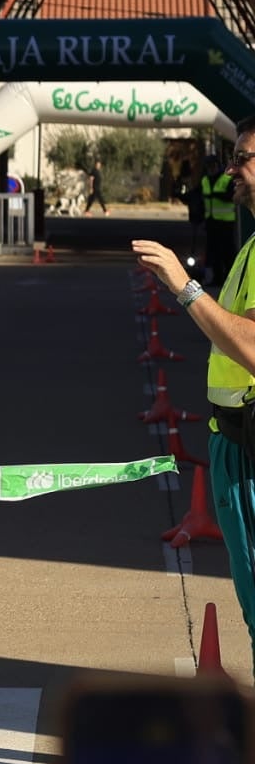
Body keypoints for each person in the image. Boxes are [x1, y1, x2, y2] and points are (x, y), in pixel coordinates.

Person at [134, 116, 255, 673]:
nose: (233, 169)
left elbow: (250, 346)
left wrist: (183, 288)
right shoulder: (252, 245)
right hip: (234, 445)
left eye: (245, 158)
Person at [203, 154, 238, 287]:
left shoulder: (226, 179)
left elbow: (231, 196)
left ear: (218, 165)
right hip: (212, 222)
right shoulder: (205, 179)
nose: (211, 169)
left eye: (213, 166)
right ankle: (217, 279)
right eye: (208, 166)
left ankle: (231, 281)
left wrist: (215, 195)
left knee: (228, 253)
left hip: (226, 222)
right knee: (214, 253)